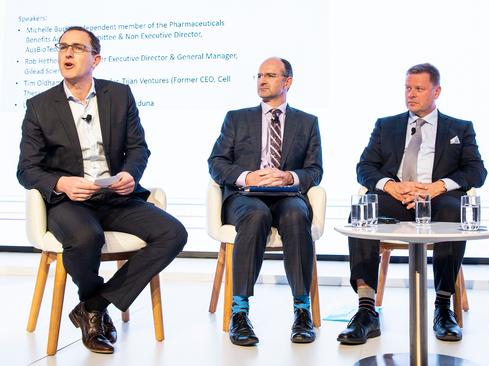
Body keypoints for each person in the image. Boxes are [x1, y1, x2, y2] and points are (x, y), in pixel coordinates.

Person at [16, 26, 188, 354]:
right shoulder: (39, 106)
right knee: (85, 237)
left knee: (174, 233)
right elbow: (27, 170)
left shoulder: (119, 95)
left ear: (96, 59)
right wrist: (61, 183)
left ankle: (94, 305)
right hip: (70, 201)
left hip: (116, 196)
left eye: (77, 48)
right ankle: (94, 311)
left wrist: (128, 173)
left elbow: (139, 149)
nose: (67, 53)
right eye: (63, 47)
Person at [337, 63, 487, 344]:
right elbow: (365, 167)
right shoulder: (386, 125)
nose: (411, 94)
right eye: (408, 88)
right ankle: (366, 309)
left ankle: (443, 307)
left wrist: (438, 186)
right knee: (363, 211)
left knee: (454, 210)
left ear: (436, 91)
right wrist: (392, 187)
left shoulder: (460, 128)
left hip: (437, 198)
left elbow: (477, 171)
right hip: (397, 198)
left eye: (419, 89)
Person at [208, 57, 323, 346]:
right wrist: (248, 177)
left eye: (270, 75)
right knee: (256, 215)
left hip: (286, 196)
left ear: (287, 82)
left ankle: (301, 310)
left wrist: (289, 177)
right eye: (259, 75)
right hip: (245, 198)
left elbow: (314, 170)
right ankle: (240, 312)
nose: (262, 80)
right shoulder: (237, 118)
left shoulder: (307, 122)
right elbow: (216, 163)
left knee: (297, 215)